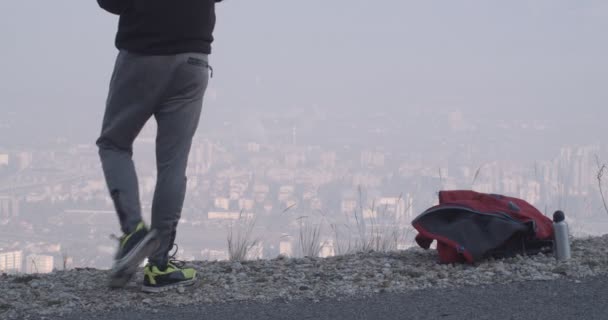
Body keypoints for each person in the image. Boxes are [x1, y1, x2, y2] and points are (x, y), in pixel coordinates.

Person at [96, 0, 222, 292]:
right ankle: (159, 266)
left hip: (143, 55)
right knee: (173, 164)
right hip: (193, 60)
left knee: (114, 143)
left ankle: (133, 233)